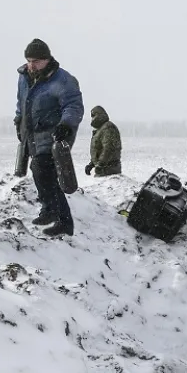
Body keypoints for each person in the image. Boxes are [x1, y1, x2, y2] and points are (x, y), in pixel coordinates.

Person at [15, 39, 83, 237]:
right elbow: (21, 101)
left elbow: (73, 105)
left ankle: (55, 213)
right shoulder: (24, 77)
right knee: (44, 173)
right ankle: (57, 216)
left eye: (36, 61)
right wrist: (18, 119)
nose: (31, 65)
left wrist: (66, 125)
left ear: (47, 59)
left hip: (56, 133)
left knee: (41, 168)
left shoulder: (62, 80)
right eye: (28, 60)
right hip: (33, 134)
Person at [86, 106, 122, 177]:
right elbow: (98, 149)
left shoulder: (108, 128)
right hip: (103, 170)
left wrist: (101, 164)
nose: (92, 118)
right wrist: (92, 164)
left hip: (109, 170)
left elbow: (108, 147)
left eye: (93, 115)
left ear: (98, 115)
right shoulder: (101, 129)